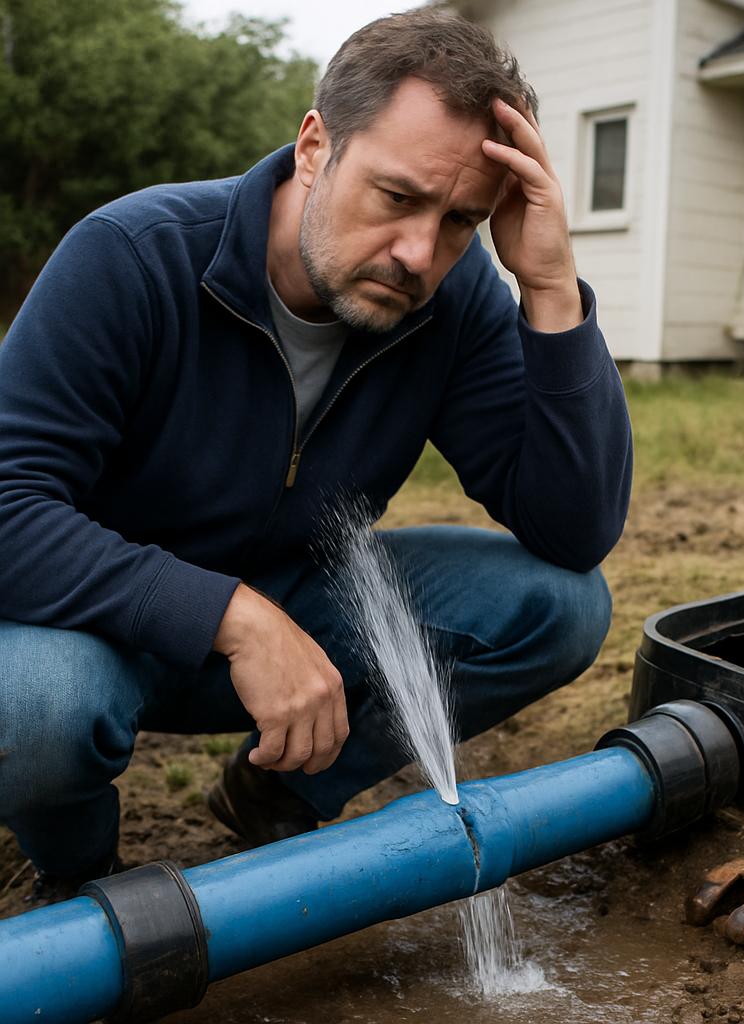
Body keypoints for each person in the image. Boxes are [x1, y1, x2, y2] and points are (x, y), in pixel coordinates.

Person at [0, 9, 632, 904]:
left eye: (460, 221)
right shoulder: (132, 256)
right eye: (398, 197)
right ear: (313, 146)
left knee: (561, 608)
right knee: (32, 709)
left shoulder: (453, 306)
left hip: (305, 614)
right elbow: (7, 509)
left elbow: (575, 531)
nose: (419, 253)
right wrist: (235, 617)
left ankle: (280, 792)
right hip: (98, 627)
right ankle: (76, 869)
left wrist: (550, 288)